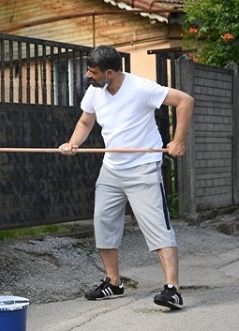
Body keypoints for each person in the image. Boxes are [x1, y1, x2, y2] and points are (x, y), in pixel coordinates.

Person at [59, 45, 194, 310]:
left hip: (143, 165)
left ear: (109, 73)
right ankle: (113, 283)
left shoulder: (141, 88)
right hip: (112, 167)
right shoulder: (94, 92)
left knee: (157, 227)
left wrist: (178, 141)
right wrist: (73, 143)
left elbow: (185, 100)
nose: (88, 75)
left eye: (92, 71)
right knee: (104, 223)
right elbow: (86, 122)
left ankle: (173, 290)